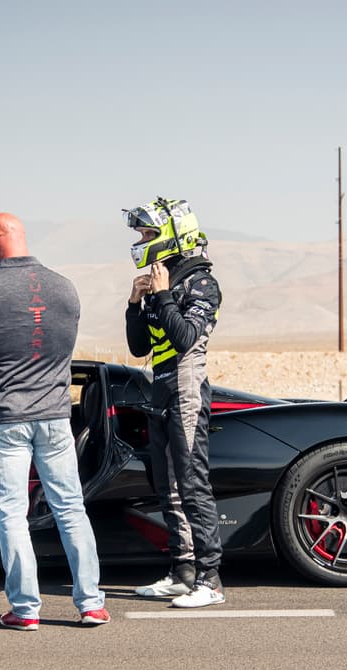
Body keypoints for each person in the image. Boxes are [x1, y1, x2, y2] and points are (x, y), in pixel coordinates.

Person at [0, 212, 108, 630]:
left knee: (11, 514)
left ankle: (25, 611)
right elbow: (60, 346)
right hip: (56, 415)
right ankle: (91, 604)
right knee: (71, 509)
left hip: (6, 419)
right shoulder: (66, 288)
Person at [123, 197, 225, 608]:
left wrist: (163, 296)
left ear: (171, 237)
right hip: (160, 387)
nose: (143, 241)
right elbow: (138, 347)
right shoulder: (157, 284)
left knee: (192, 482)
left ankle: (211, 579)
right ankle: (183, 572)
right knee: (167, 486)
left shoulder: (202, 284)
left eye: (148, 234)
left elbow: (184, 338)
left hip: (186, 388)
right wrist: (135, 303)